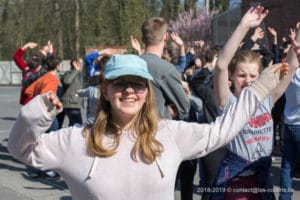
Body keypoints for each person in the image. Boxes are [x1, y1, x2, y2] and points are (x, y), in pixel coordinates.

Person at [8, 53, 285, 200]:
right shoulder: (76, 140)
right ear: (105, 90)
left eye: (138, 83)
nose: (130, 90)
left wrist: (256, 89)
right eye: (120, 83)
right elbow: (21, 149)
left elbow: (221, 131)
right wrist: (37, 114)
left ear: (147, 91)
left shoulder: (169, 134)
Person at [211, 6, 294, 200]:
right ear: (232, 77)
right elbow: (221, 65)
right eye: (241, 75)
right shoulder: (228, 102)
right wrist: (244, 27)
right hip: (237, 182)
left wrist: (297, 42)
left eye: (253, 76)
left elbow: (289, 70)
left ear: (260, 78)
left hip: (263, 180)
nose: (248, 80)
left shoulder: (267, 99)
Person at [140, 17, 190, 120]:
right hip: (157, 130)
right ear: (166, 37)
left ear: (142, 39)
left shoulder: (131, 64)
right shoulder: (166, 69)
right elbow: (184, 108)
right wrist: (165, 111)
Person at [279, 22, 300, 200]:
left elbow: (289, 60)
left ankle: (284, 196)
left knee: (287, 167)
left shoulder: (288, 74)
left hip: (289, 124)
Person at [57, 58, 84, 128]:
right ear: (75, 64)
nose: (81, 65)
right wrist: (75, 70)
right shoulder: (68, 73)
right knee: (77, 126)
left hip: (75, 104)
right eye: (79, 63)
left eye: (82, 63)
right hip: (71, 104)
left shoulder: (79, 74)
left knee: (73, 127)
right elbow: (67, 81)